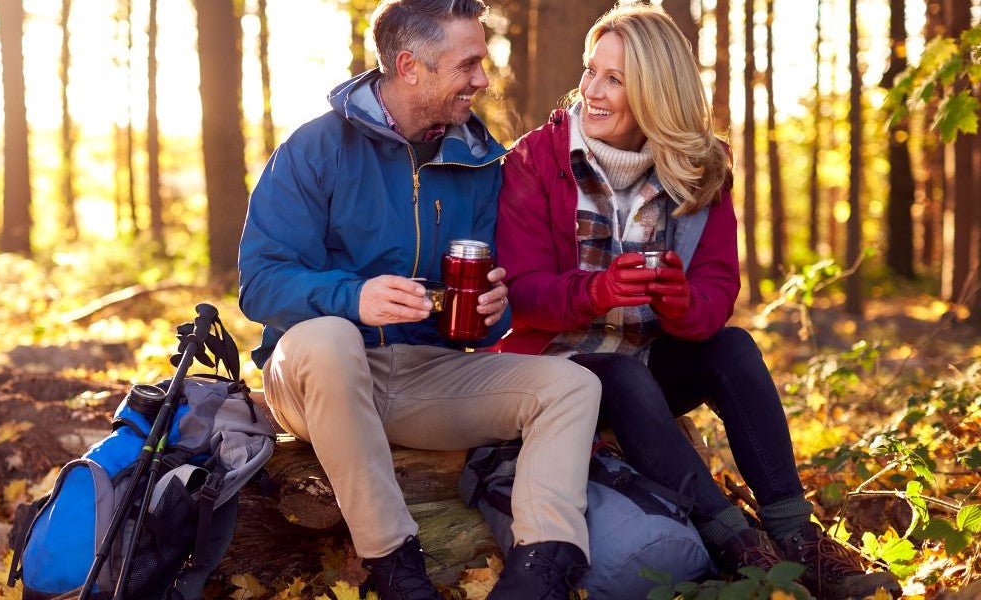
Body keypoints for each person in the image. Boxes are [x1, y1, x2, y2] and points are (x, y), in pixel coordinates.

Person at [493, 5, 902, 599]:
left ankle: (798, 539)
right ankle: (741, 546)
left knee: (732, 349)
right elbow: (520, 293)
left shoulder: (700, 168)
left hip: (648, 367)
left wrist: (681, 303)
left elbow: (717, 293)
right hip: (555, 377)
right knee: (619, 378)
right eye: (591, 71)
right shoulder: (537, 159)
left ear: (657, 92)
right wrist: (595, 292)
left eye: (615, 79)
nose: (592, 91)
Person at [237, 1, 601, 598]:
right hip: (312, 377)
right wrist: (353, 298)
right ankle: (397, 568)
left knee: (572, 386)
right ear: (410, 66)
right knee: (333, 338)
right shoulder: (315, 149)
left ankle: (541, 570)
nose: (482, 79)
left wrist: (493, 310)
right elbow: (260, 282)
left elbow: (482, 314)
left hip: (419, 376)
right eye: (468, 64)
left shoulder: (481, 162)